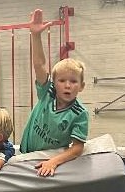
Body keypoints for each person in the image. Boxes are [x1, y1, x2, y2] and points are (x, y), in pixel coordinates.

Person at [20, 9, 88, 176]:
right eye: (62, 80)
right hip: (25, 154)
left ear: (81, 86)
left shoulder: (80, 113)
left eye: (73, 81)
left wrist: (54, 161)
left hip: (48, 160)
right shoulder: (47, 92)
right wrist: (36, 36)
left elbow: (77, 147)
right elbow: (39, 65)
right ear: (54, 83)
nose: (67, 86)